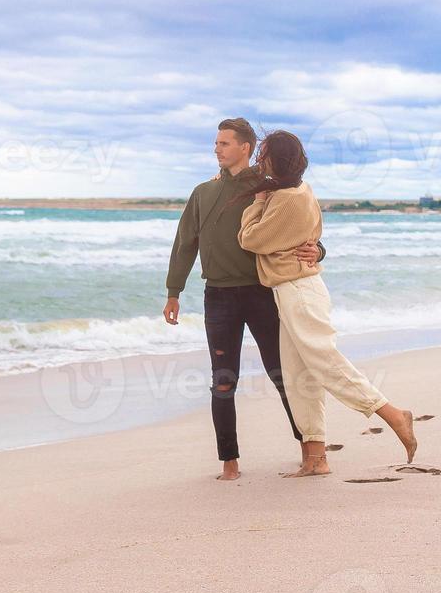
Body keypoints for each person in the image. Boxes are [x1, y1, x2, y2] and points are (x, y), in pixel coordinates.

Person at [237, 129, 418, 477]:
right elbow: (311, 237)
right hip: (292, 289)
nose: (261, 160)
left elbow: (250, 239)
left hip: (300, 291)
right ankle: (316, 458)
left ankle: (393, 414)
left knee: (323, 362)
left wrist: (257, 202)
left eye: (265, 154)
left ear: (277, 159)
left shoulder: (288, 197)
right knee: (299, 376)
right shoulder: (296, 190)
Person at [164, 118, 325, 481]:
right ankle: (229, 463)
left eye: (224, 143)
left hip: (261, 292)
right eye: (216, 143)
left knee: (283, 373)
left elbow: (301, 224)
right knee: (223, 379)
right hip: (218, 297)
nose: (217, 148)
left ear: (245, 148)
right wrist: (174, 291)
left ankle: (309, 450)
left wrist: (320, 250)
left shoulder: (267, 187)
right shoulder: (202, 193)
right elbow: (185, 243)